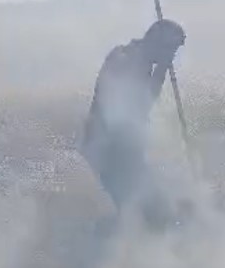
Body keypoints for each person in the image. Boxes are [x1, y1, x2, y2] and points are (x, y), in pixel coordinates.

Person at [80, 18, 187, 230]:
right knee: (147, 211)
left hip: (119, 150)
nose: (173, 56)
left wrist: (161, 66)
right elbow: (141, 104)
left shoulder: (137, 58)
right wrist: (163, 68)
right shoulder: (126, 59)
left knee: (152, 210)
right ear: (158, 43)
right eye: (171, 49)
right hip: (109, 150)